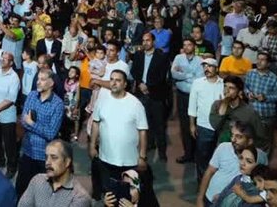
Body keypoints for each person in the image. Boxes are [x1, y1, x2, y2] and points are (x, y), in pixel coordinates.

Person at [89, 69, 148, 201]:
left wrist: (142, 156)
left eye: (118, 80)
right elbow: (96, 123)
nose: (113, 83)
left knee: (130, 197)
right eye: (111, 79)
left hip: (130, 162)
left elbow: (142, 131)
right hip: (106, 159)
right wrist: (92, 145)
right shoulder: (102, 100)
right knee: (109, 195)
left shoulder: (135, 104)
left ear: (125, 84)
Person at [15, 68, 65, 197]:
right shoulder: (32, 95)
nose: (38, 82)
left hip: (44, 157)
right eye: (38, 79)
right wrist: (33, 124)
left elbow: (51, 133)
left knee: (42, 194)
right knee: (21, 189)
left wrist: (32, 124)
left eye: (42, 80)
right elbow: (23, 120)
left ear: (51, 83)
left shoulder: (57, 104)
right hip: (27, 151)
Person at [197, 121, 268, 207]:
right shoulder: (223, 147)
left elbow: (264, 184)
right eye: (232, 135)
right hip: (210, 198)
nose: (233, 140)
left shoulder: (259, 157)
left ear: (249, 141)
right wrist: (200, 198)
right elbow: (209, 172)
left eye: (239, 137)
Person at [130, 31, 170, 162]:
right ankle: (148, 145)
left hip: (156, 94)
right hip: (141, 93)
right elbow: (134, 71)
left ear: (153, 42)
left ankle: (162, 152)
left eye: (147, 40)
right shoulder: (138, 55)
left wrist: (149, 86)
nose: (145, 43)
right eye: (143, 40)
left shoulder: (162, 56)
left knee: (159, 124)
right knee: (144, 123)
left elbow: (161, 76)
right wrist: (141, 84)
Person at [19, 139, 91, 207]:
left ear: (67, 162)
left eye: (54, 158)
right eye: (46, 157)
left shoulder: (79, 197)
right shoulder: (37, 180)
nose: (48, 162)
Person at [188, 58, 224, 181]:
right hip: (203, 126)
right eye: (204, 66)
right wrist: (192, 125)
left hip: (220, 127)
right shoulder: (197, 83)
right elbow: (192, 105)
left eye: (210, 66)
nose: (206, 68)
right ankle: (202, 184)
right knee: (202, 158)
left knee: (218, 157)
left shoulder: (223, 84)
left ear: (216, 68)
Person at [210, 76, 267, 150]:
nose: (226, 91)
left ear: (239, 92)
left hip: (241, 152)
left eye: (231, 88)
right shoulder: (217, 105)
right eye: (225, 87)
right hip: (222, 148)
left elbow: (261, 137)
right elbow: (215, 125)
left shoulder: (250, 112)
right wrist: (224, 104)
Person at [171, 37, 203, 164]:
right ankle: (188, 153)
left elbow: (199, 79)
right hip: (182, 95)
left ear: (194, 47)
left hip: (195, 96)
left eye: (189, 45)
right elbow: (173, 74)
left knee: (195, 123)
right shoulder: (178, 58)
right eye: (184, 45)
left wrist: (183, 75)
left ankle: (197, 154)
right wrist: (190, 75)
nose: (186, 47)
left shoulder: (200, 61)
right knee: (184, 125)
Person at [243, 51, 277, 154]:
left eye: (262, 60)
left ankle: (263, 166)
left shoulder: (273, 78)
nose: (259, 62)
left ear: (268, 64)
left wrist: (265, 97)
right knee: (250, 140)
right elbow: (245, 87)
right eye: (258, 59)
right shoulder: (250, 73)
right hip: (252, 114)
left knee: (265, 142)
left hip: (266, 116)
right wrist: (248, 93)